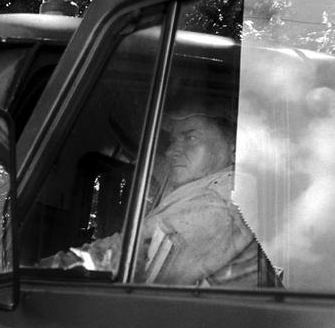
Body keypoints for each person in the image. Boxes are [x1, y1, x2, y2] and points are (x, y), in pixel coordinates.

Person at [45, 103, 277, 286]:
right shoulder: (206, 192)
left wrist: (51, 269)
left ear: (235, 148)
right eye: (173, 139)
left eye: (190, 137)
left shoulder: (215, 203)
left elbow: (132, 268)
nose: (171, 150)